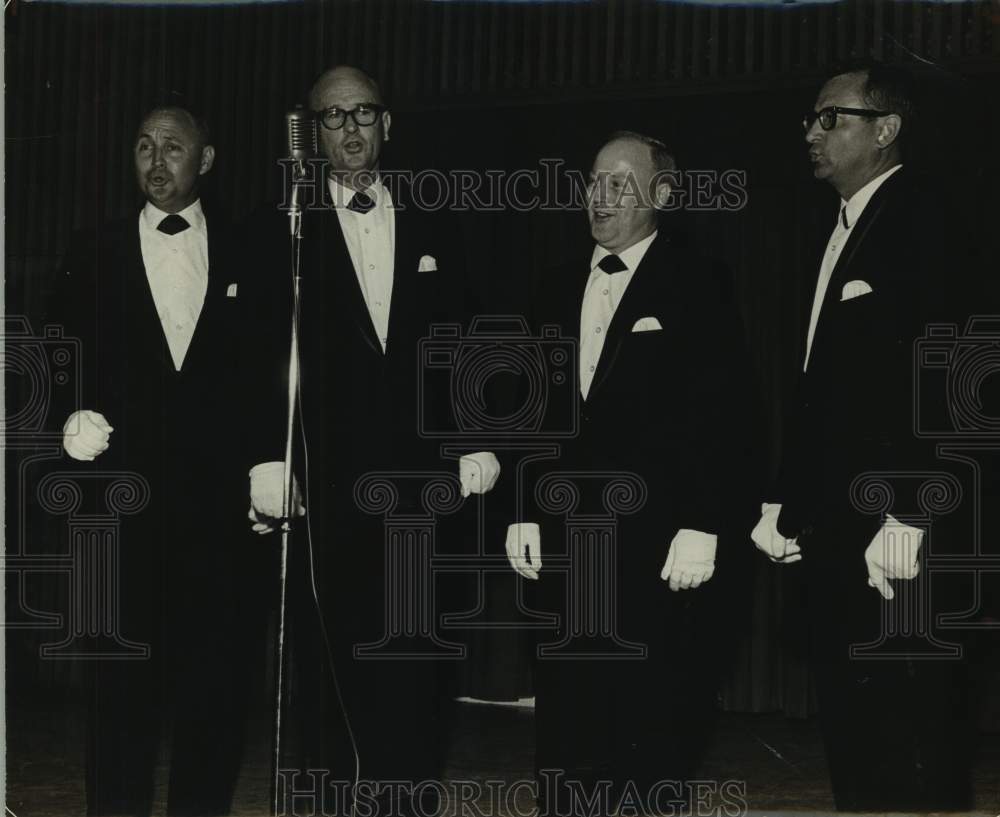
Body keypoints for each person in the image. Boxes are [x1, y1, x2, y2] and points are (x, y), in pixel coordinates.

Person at [245, 65, 498, 814]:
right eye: (332, 117)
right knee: (330, 676)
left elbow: (464, 341)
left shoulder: (435, 222)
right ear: (312, 132)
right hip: (329, 491)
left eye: (363, 113)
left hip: (424, 492)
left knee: (419, 672)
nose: (350, 128)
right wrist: (267, 456)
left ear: (388, 125)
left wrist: (478, 441)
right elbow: (257, 351)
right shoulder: (281, 228)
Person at [504, 132, 753, 815]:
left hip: (654, 544)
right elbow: (534, 409)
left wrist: (703, 521)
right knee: (565, 724)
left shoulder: (699, 279)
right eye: (593, 181)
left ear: (662, 194)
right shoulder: (555, 283)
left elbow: (723, 411)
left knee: (651, 726)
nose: (600, 196)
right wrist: (523, 509)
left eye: (620, 182)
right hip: (563, 540)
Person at [751, 62, 974, 811]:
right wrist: (785, 500)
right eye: (810, 120)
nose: (811, 133)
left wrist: (912, 508)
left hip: (897, 523)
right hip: (842, 522)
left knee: (911, 728)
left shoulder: (924, 215)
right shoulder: (842, 227)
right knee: (858, 724)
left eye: (831, 118)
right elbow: (825, 391)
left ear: (886, 131)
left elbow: (951, 366)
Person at [56, 105, 258, 816]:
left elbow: (273, 370)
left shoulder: (251, 249)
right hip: (120, 514)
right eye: (143, 145)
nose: (156, 159)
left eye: (173, 146)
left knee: (215, 696)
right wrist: (66, 416)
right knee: (118, 700)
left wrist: (271, 464)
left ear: (205, 160)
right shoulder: (92, 247)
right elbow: (54, 358)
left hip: (221, 524)